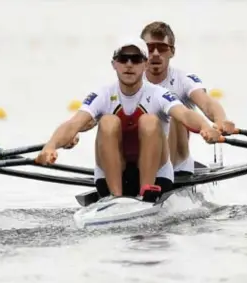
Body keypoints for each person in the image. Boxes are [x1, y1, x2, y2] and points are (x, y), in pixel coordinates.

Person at [35, 37, 220, 200]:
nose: (129, 64)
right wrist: (50, 147)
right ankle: (116, 197)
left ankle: (146, 191)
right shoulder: (102, 94)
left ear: (145, 64)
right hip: (111, 177)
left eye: (136, 59)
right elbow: (73, 124)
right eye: (123, 59)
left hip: (157, 178)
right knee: (108, 121)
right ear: (114, 64)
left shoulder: (159, 94)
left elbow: (185, 114)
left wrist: (205, 126)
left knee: (149, 121)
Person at [140, 21, 236, 176]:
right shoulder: (130, 81)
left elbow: (207, 103)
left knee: (172, 112)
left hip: (175, 163)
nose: (156, 53)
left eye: (162, 48)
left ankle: (163, 175)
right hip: (140, 160)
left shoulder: (184, 80)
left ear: (172, 52)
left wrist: (220, 122)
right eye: (150, 48)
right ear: (142, 52)